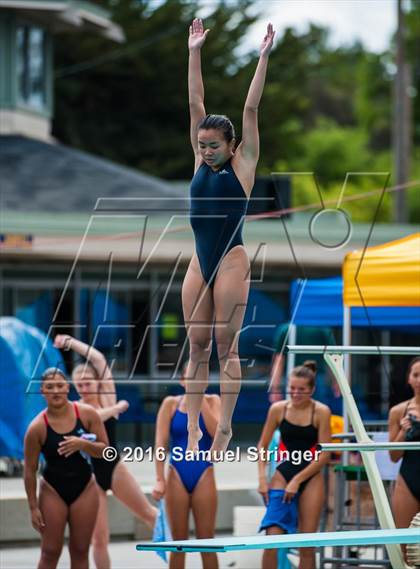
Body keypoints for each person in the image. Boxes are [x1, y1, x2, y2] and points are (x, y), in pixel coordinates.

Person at [183, 17, 275, 455]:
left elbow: (252, 110)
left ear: (232, 146)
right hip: (200, 259)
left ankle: (225, 427)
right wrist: (194, 51)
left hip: (233, 258)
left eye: (213, 145)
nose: (204, 150)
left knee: (225, 345)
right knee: (196, 346)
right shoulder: (200, 163)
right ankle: (194, 427)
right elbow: (195, 100)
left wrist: (262, 59)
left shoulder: (242, 166)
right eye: (201, 145)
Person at [54, 334, 157, 569]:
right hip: (90, 477)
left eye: (88, 383)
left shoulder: (106, 396)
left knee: (149, 514)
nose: (84, 388)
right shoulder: (75, 408)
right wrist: (115, 409)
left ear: (98, 383)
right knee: (99, 539)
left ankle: (176, 550)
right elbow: (91, 418)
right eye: (79, 385)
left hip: (113, 467)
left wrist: (70, 343)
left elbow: (99, 359)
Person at [24, 367, 107, 569]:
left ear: (67, 388)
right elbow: (29, 470)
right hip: (53, 489)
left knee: (80, 550)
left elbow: (107, 451)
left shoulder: (87, 414)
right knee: (50, 551)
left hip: (85, 488)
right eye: (49, 387)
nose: (56, 391)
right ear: (42, 392)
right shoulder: (37, 428)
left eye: (60, 385)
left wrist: (83, 445)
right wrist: (33, 507)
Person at [257, 361, 331, 569]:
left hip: (310, 476)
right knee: (271, 540)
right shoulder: (278, 409)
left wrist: (298, 480)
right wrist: (262, 479)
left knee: (306, 545)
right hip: (284, 473)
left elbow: (324, 455)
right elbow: (262, 445)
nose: (296, 394)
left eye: (302, 390)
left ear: (312, 390)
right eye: (292, 389)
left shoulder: (321, 411)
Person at [152, 365, 221, 569]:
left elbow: (217, 434)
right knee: (178, 543)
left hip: (203, 473)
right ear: (182, 381)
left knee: (206, 541)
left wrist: (199, 402)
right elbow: (160, 444)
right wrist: (159, 479)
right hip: (177, 474)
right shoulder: (170, 404)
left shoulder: (213, 401)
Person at [388, 356, 420, 562]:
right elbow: (393, 455)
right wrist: (404, 431)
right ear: (409, 379)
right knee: (405, 549)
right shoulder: (398, 411)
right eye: (416, 375)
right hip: (408, 480)